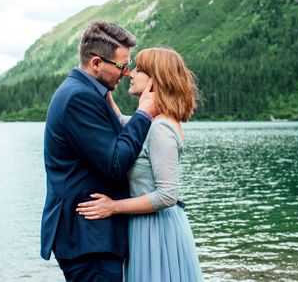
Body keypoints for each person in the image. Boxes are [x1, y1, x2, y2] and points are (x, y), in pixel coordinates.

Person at [40, 20, 158, 282]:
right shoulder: (78, 98)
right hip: (88, 239)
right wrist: (144, 115)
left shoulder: (86, 92)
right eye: (121, 66)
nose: (127, 73)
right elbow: (115, 163)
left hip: (92, 238)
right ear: (96, 63)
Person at [76, 47, 204, 282]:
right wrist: (105, 81)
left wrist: (113, 206)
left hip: (158, 230)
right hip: (145, 226)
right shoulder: (151, 121)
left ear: (155, 79)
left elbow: (167, 195)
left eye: (138, 70)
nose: (130, 74)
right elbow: (120, 121)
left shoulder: (161, 128)